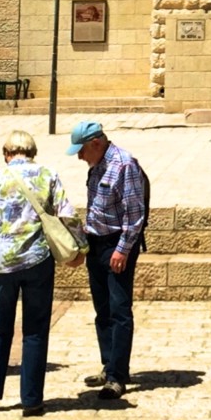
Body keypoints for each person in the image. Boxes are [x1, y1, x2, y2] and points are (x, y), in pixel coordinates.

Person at [0, 129, 80, 417]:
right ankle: (31, 400)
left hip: (3, 265)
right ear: (33, 153)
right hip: (37, 262)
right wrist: (80, 247)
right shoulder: (48, 175)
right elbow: (67, 214)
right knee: (35, 330)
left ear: (7, 154)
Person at [69, 120, 149, 398]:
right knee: (102, 310)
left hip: (116, 245)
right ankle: (108, 364)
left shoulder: (124, 165)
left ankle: (117, 376)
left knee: (119, 309)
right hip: (96, 244)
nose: (79, 156)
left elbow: (135, 214)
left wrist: (123, 249)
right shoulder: (97, 165)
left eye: (81, 150)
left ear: (96, 143)